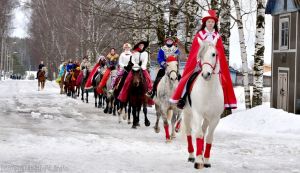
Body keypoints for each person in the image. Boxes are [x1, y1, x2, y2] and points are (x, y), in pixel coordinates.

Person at [169, 10, 237, 110]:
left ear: (214, 24)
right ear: (205, 23)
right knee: (187, 79)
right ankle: (182, 99)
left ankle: (225, 102)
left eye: (212, 22)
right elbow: (194, 52)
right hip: (199, 63)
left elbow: (220, 53)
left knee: (225, 80)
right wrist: (198, 61)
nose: (210, 24)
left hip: (213, 64)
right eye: (209, 22)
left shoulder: (218, 37)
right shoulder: (199, 35)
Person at [150, 34, 181, 98]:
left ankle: (181, 94)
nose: (169, 42)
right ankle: (153, 92)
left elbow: (178, 58)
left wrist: (176, 64)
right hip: (164, 67)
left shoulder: (176, 49)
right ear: (166, 41)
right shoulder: (162, 49)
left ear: (173, 42)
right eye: (168, 41)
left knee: (180, 78)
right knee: (157, 79)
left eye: (170, 41)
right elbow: (159, 58)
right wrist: (163, 63)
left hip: (173, 67)